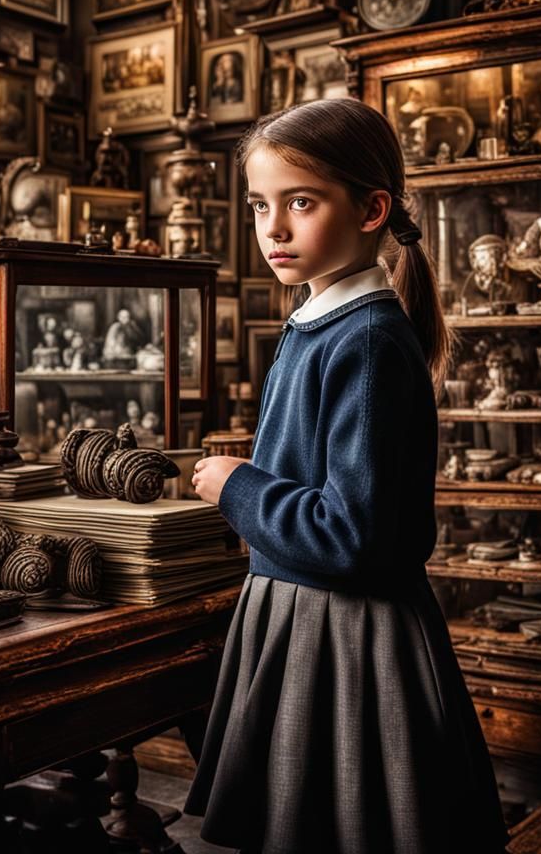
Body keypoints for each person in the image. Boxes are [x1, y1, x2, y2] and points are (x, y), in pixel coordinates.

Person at [187, 98, 508, 854]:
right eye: (261, 205)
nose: (273, 228)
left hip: (350, 635)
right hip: (297, 616)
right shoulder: (317, 322)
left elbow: (353, 537)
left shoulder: (364, 341)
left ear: (371, 208)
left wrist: (238, 488)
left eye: (301, 202)